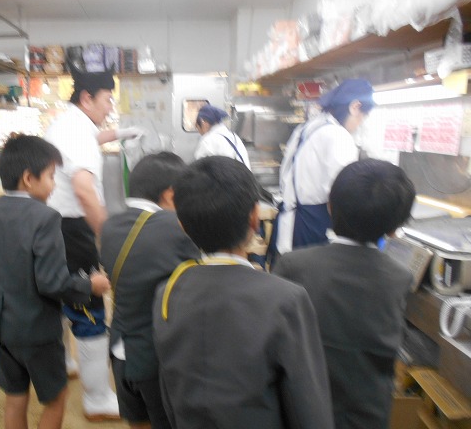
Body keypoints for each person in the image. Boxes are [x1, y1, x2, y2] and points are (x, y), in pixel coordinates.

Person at [152, 156, 334, 429]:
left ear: (182, 225)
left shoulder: (167, 292)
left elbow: (168, 388)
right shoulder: (285, 299)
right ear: (254, 218)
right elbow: (308, 406)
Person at [0, 135, 111, 429]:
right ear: (29, 179)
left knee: (15, 397)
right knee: (56, 398)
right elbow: (53, 283)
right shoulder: (46, 218)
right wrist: (90, 286)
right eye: (51, 176)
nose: (54, 184)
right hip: (35, 329)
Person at [272, 159, 416, 429]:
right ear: (395, 228)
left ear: (330, 206)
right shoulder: (399, 278)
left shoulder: (293, 265)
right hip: (367, 414)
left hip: (301, 410)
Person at [44, 66, 140, 421]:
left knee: (59, 298)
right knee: (89, 304)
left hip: (52, 226)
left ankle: (66, 363)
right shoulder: (76, 131)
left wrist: (120, 133)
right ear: (87, 98)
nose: (110, 107)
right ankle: (97, 398)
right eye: (107, 100)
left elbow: (92, 139)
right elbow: (85, 191)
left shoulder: (68, 124)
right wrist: (109, 238)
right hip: (71, 229)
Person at [100, 152, 200, 429]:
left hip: (120, 351)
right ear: (170, 194)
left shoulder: (110, 224)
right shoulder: (173, 227)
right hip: (155, 357)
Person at [271, 78, 375, 258]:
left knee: (289, 271)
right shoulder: (338, 136)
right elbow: (343, 193)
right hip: (312, 227)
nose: (360, 124)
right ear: (355, 107)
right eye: (363, 117)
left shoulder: (309, 126)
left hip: (291, 223)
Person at [193, 104, 251, 170]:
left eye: (198, 128)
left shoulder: (208, 140)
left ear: (203, 122)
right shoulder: (234, 137)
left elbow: (198, 169)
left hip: (227, 176)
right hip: (245, 175)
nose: (200, 133)